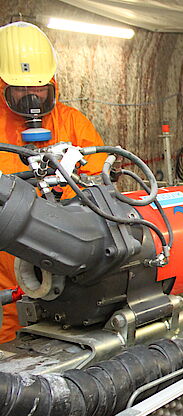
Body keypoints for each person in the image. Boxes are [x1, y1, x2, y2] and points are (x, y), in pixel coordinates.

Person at [0, 22, 105, 344]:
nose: (31, 97)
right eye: (20, 89)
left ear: (52, 84)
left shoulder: (71, 121)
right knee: (12, 316)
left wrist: (71, 185)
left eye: (39, 88)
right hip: (8, 246)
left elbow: (98, 175)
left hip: (66, 239)